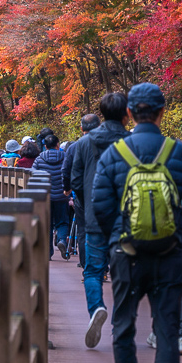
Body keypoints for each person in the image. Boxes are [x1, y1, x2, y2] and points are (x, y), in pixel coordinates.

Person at [91, 82, 182, 363]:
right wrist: (177, 232)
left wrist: (121, 234)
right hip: (172, 255)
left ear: (129, 113)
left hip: (127, 256)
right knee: (168, 330)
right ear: (161, 112)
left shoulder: (115, 154)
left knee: (124, 324)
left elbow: (101, 206)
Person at [71, 96, 129, 348]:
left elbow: (75, 180)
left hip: (94, 216)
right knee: (124, 271)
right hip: (125, 217)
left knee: (93, 270)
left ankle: (96, 308)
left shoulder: (84, 143)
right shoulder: (132, 142)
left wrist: (86, 208)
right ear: (126, 113)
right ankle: (120, 323)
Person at [62, 114, 100, 269]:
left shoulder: (75, 146)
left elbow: (67, 170)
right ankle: (103, 267)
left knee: (84, 230)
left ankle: (87, 266)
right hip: (105, 192)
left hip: (83, 193)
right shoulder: (109, 142)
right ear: (99, 126)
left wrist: (69, 189)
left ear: (82, 128)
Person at [33, 134, 71, 259]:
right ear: (58, 145)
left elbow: (32, 175)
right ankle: (61, 240)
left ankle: (48, 253)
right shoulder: (65, 157)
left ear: (45, 146)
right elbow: (69, 173)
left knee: (46, 223)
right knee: (62, 222)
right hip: (62, 195)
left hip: (45, 196)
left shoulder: (39, 159)